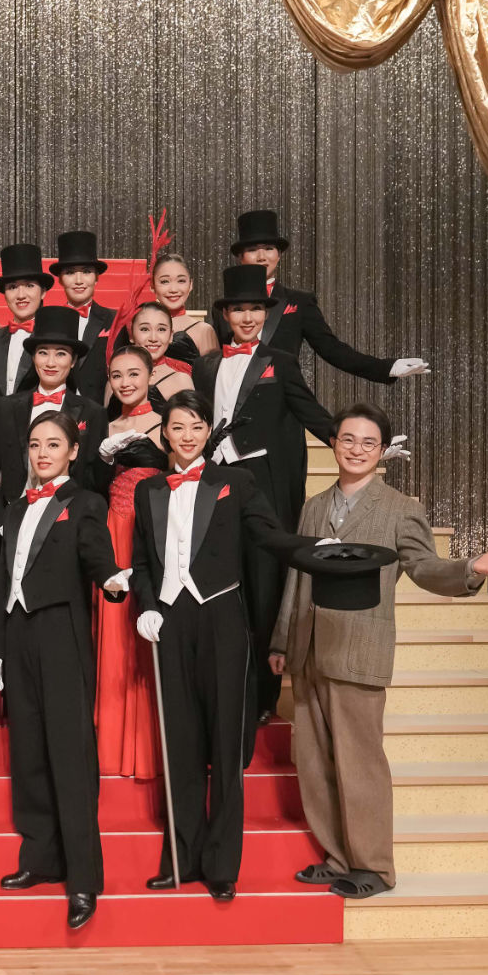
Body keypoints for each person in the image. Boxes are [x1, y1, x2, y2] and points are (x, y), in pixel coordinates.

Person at [269, 401, 488, 899]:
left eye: (368, 442)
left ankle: (374, 867)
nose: (356, 449)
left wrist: (469, 570)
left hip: (360, 650)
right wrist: (280, 640)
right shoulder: (314, 505)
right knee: (313, 760)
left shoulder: (401, 508)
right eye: (348, 439)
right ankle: (338, 858)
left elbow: (423, 567)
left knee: (360, 764)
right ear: (333, 443)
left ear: (382, 451)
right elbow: (297, 576)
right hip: (308, 647)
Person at [130, 392, 309, 899]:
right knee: (179, 743)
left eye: (195, 426)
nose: (187, 436)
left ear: (208, 430)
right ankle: (181, 860)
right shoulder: (148, 491)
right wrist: (146, 604)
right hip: (169, 619)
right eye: (177, 427)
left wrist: (314, 549)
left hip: (222, 616)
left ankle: (222, 866)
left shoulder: (236, 482)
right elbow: (141, 561)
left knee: (226, 745)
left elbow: (270, 535)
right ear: (163, 434)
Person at [0, 411, 129, 930]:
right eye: (35, 444)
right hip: (18, 634)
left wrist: (111, 580)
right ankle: (40, 858)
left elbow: (96, 555)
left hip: (61, 634)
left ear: (73, 451)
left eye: (53, 444)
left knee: (70, 756)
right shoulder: (14, 507)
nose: (42, 453)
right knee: (28, 752)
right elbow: (3, 580)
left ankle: (83, 878)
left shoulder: (85, 502)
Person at [192, 264, 335, 719]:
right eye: (239, 310)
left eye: (255, 308)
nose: (248, 317)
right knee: (220, 583)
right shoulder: (205, 367)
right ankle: (221, 688)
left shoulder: (281, 362)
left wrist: (349, 441)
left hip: (262, 487)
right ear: (225, 315)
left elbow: (310, 411)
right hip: (214, 484)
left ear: (266, 313)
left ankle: (262, 697)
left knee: (264, 586)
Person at [219, 209, 429, 383]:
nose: (262, 257)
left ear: (279, 254)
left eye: (268, 248)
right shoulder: (222, 307)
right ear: (240, 257)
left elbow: (332, 349)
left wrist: (387, 367)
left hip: (283, 406)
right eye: (252, 250)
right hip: (231, 405)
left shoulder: (299, 301)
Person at [93, 345, 168, 779]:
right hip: (113, 531)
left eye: (134, 373)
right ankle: (112, 747)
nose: (125, 382)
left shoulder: (167, 423)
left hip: (152, 534)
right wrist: (101, 460)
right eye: (117, 375)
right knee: (116, 635)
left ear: (151, 375)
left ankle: (148, 750)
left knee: (147, 627)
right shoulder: (104, 426)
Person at [0, 306, 107, 538]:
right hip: (14, 525)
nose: (50, 363)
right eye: (43, 352)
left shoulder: (92, 413)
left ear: (73, 360)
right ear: (33, 357)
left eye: (61, 354)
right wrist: (2, 525)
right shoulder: (5, 408)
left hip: (67, 529)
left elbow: (95, 483)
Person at [0, 242, 50, 449]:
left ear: (43, 292)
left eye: (29, 286)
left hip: (40, 449)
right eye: (13, 287)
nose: (21, 295)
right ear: (4, 293)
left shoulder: (55, 345)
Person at [50, 230, 116, 403]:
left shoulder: (115, 320)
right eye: (70, 272)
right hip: (56, 410)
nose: (79, 280)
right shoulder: (49, 321)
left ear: (96, 277)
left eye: (86, 272)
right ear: (60, 279)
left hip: (101, 411)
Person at [150, 251, 220, 364]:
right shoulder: (140, 327)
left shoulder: (204, 331)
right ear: (152, 286)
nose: (173, 289)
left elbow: (212, 374)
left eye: (181, 281)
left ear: (190, 284)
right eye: (165, 281)